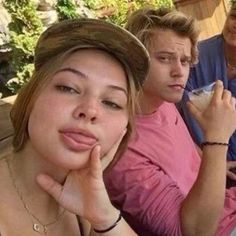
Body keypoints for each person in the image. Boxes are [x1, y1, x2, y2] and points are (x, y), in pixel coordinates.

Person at [0, 18, 150, 236]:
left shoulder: (85, 195)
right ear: (32, 96)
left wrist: (104, 217)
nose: (90, 110)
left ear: (123, 130)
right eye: (68, 88)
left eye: (111, 102)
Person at [104, 7, 236, 236]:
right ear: (134, 61)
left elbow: (181, 154)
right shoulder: (121, 147)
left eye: (185, 61)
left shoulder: (163, 102)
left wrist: (211, 163)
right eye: (164, 59)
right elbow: (193, 232)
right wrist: (217, 140)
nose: (179, 72)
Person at [179, 1, 236, 164]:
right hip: (199, 160)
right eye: (233, 16)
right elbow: (179, 113)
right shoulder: (193, 57)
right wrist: (209, 160)